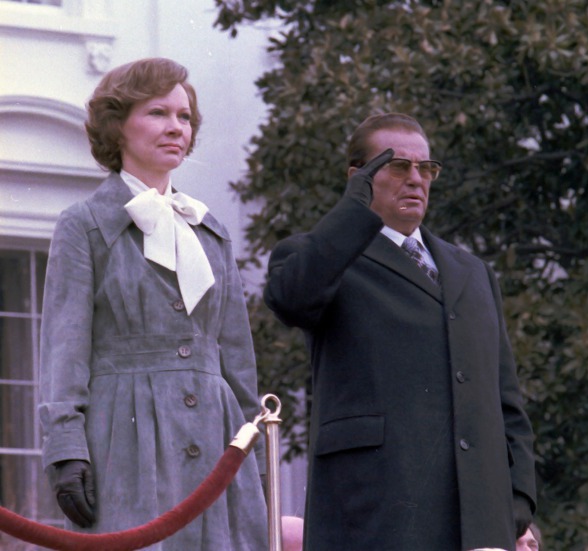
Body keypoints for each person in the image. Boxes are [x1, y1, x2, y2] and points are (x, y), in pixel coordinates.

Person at [264, 112, 537, 550]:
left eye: (426, 168)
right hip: (376, 514)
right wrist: (353, 210)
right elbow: (290, 297)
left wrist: (518, 500)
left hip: (480, 520)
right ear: (359, 177)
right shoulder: (322, 255)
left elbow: (506, 400)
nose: (417, 179)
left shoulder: (472, 271)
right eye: (398, 166)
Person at [39, 58, 267, 550]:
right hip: (125, 437)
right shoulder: (84, 225)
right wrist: (64, 447)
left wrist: (254, 460)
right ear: (118, 125)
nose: (176, 128)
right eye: (158, 113)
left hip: (217, 439)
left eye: (184, 117)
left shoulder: (211, 232)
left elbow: (238, 364)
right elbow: (64, 348)